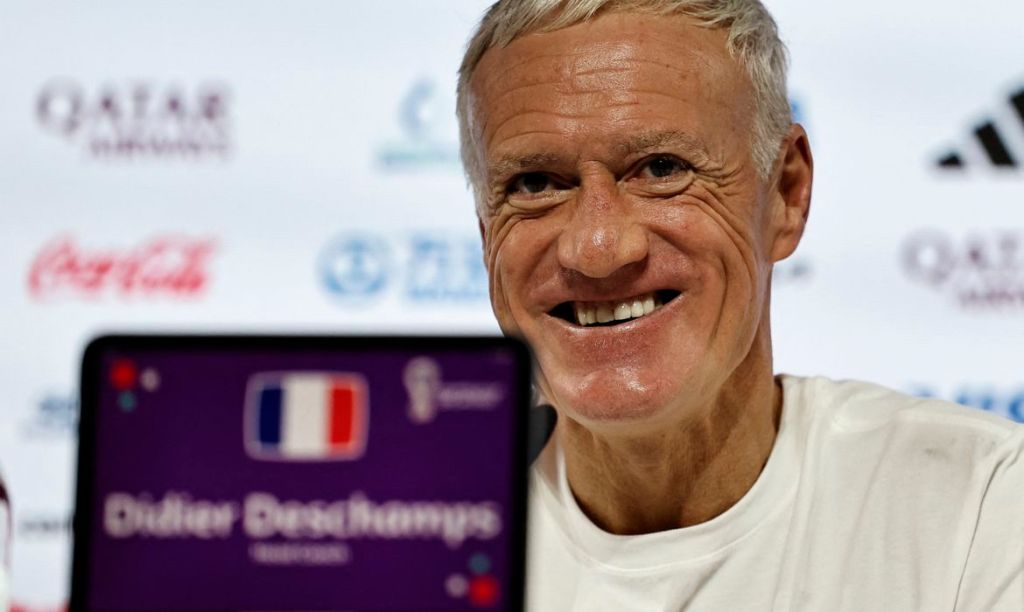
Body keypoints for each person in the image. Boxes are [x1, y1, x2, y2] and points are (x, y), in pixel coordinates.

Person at [455, 0, 1024, 610]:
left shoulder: (980, 507)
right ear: (487, 233)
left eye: (661, 169)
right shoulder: (407, 522)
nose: (596, 249)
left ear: (786, 193)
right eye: (535, 184)